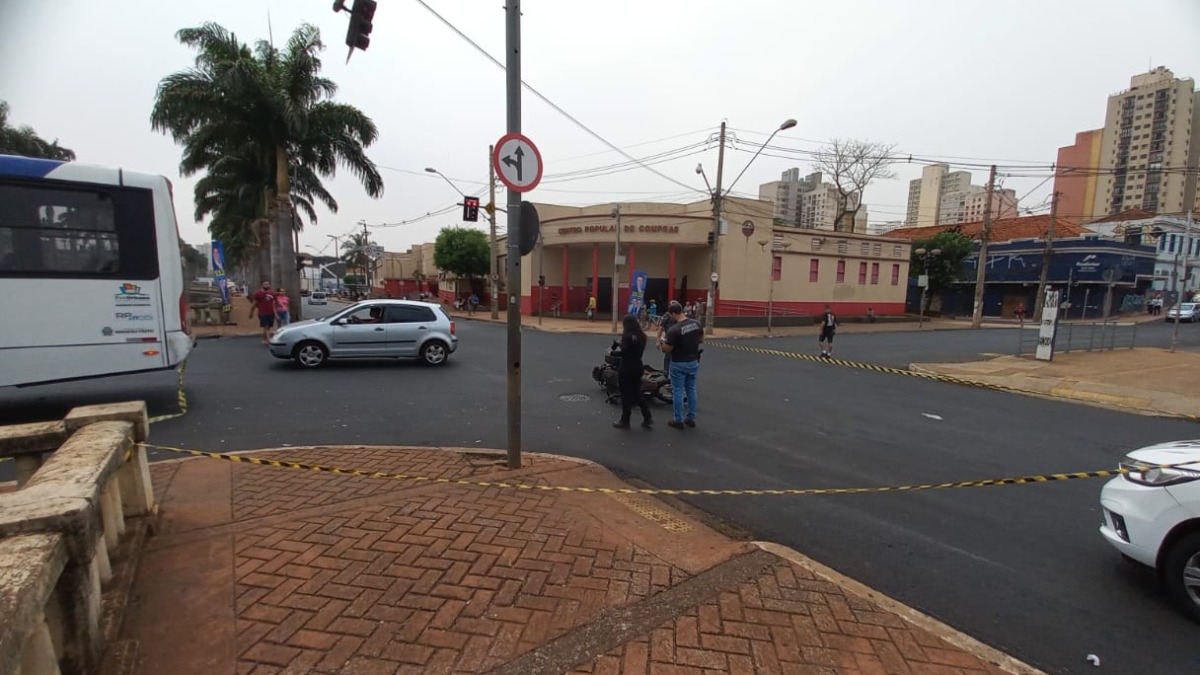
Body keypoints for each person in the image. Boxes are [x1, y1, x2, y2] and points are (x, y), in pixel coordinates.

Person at [661, 301, 702, 429]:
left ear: (673, 314)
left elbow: (666, 349)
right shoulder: (696, 323)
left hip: (678, 363)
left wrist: (663, 342)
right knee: (691, 389)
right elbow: (701, 339)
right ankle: (691, 418)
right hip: (693, 361)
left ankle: (678, 420)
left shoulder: (674, 330)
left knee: (678, 391)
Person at [611, 314, 653, 430]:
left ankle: (625, 420)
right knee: (637, 392)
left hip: (627, 367)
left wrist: (614, 352)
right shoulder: (642, 336)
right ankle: (647, 416)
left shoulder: (627, 336)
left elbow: (625, 352)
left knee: (626, 395)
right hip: (638, 366)